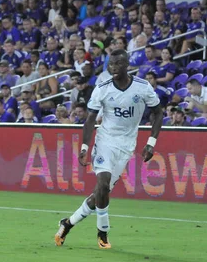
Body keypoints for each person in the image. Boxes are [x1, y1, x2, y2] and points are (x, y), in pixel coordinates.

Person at [54, 50, 163, 249]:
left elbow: (158, 112)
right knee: (103, 185)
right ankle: (103, 232)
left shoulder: (142, 87)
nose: (113, 68)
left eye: (117, 64)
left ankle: (68, 223)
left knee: (100, 194)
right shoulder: (102, 88)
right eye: (110, 64)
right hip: (105, 141)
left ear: (126, 65)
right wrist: (85, 147)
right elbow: (89, 119)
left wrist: (151, 143)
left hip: (127, 145)